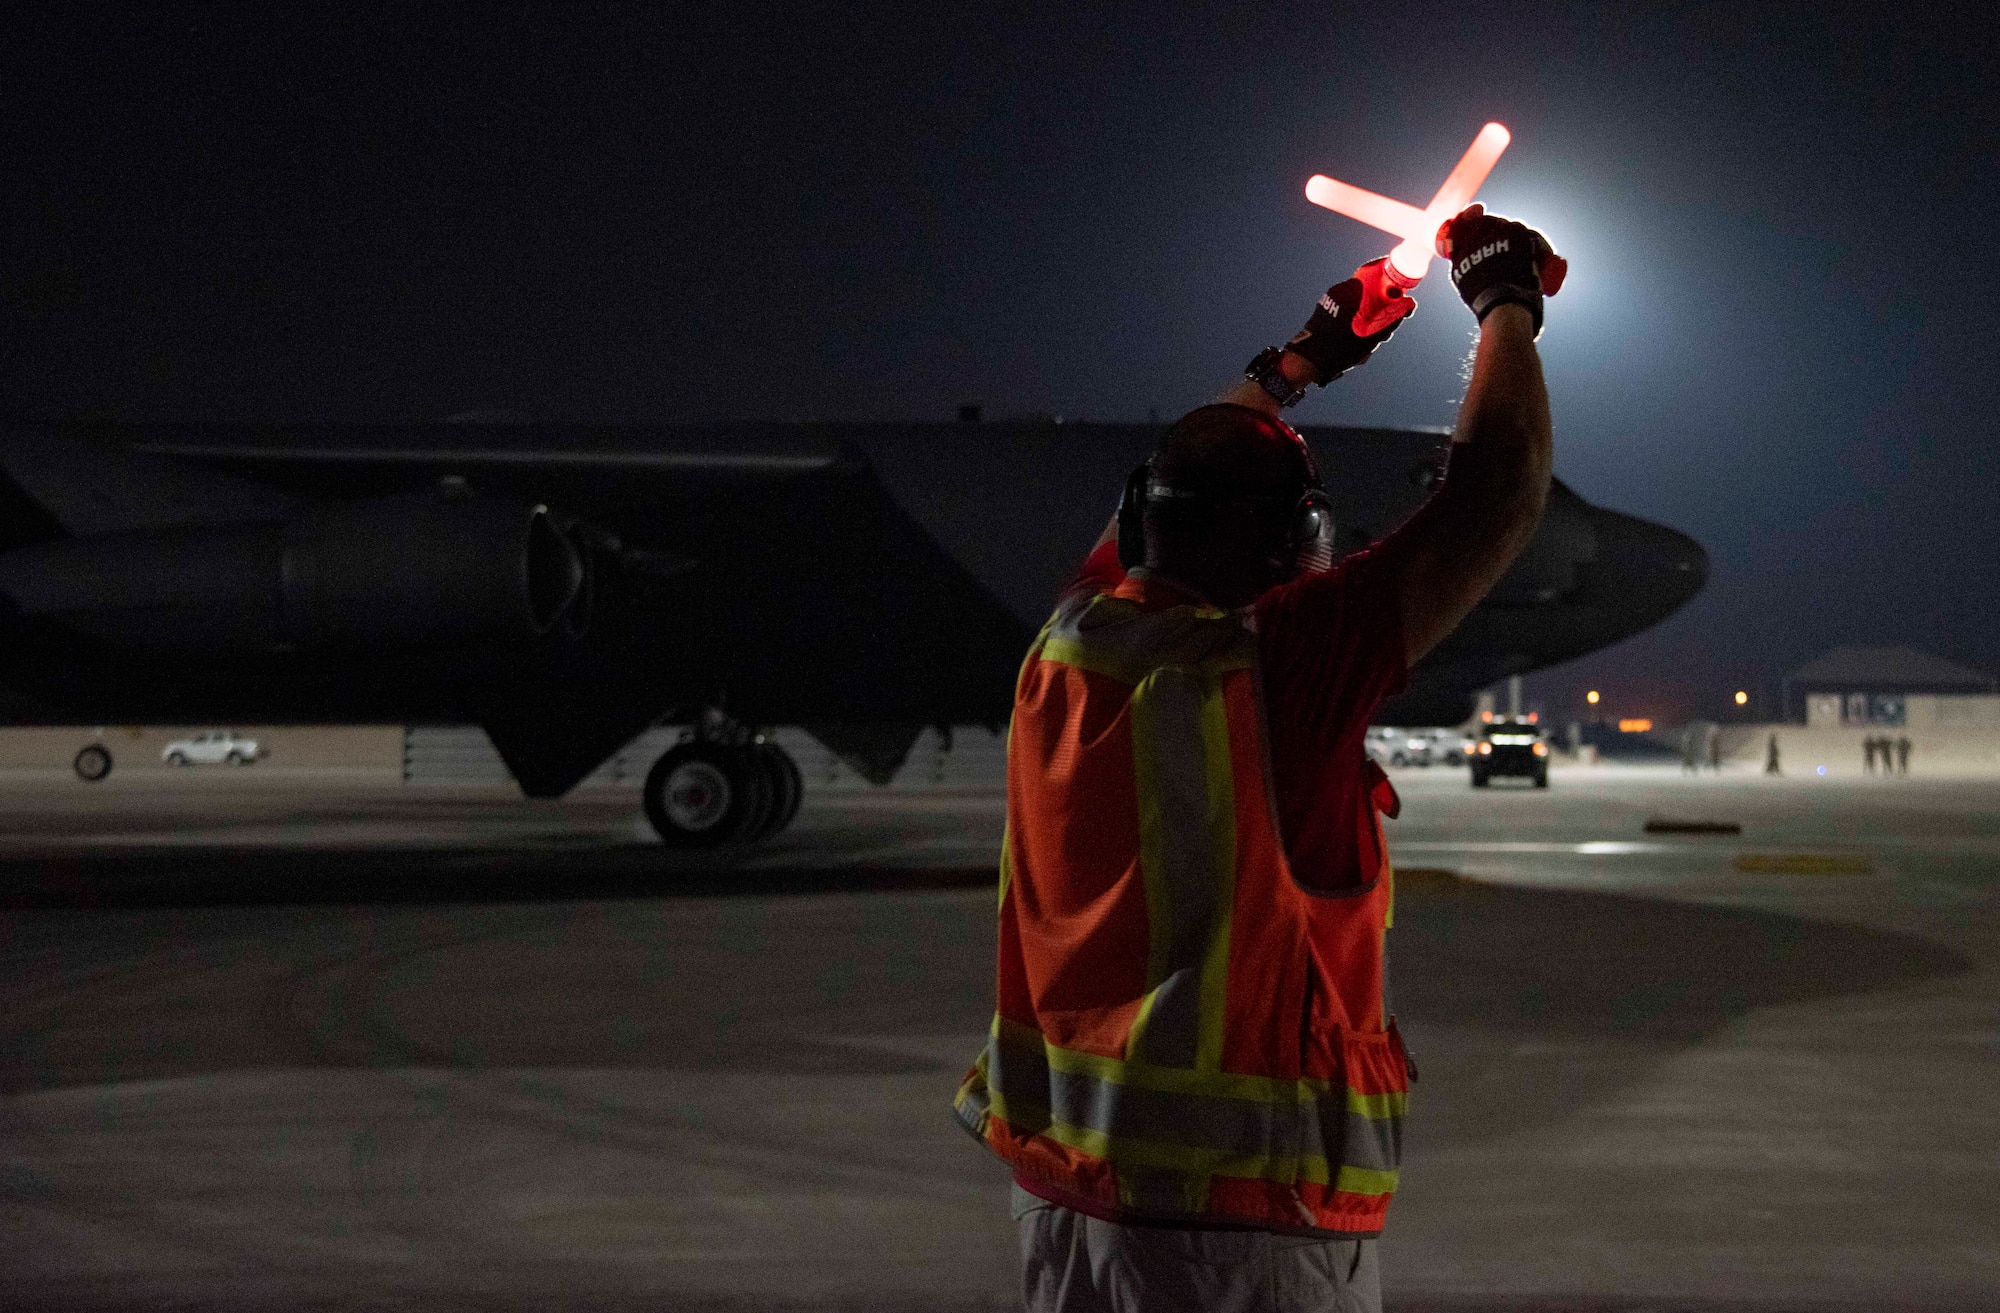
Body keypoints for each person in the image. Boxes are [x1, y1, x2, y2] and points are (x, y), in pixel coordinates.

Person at [954, 205, 1564, 1313]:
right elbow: (1499, 491)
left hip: (1061, 1201)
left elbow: (1163, 482)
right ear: (1294, 543)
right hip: (1237, 1231)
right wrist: (1503, 304)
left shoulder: (1070, 642)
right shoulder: (1274, 667)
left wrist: (1299, 361)